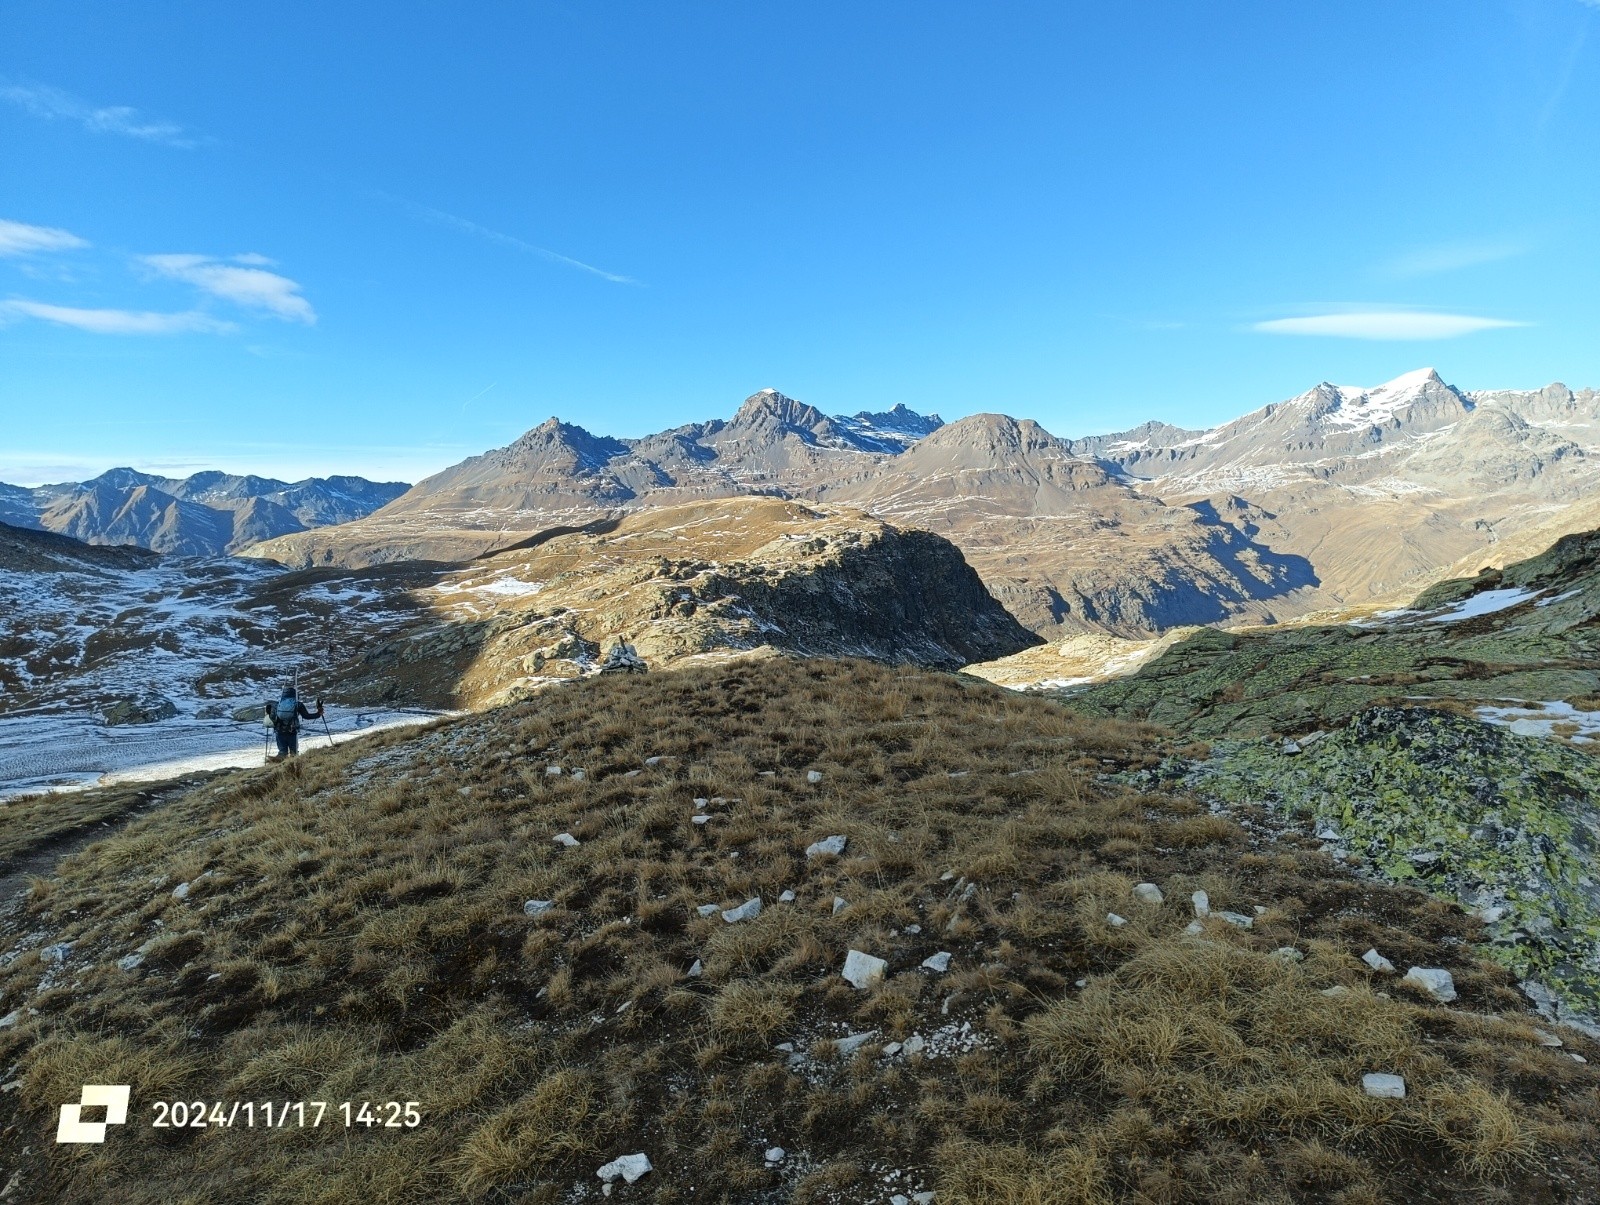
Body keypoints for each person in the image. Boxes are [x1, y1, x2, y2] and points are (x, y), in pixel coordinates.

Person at [265, 684, 324, 760]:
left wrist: (267, 713)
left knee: (282, 752)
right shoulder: (297, 704)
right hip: (292, 731)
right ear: (295, 695)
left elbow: (271, 719)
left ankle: (277, 763)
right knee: (294, 753)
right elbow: (307, 716)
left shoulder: (277, 704)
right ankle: (293, 767)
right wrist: (319, 713)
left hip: (279, 731)